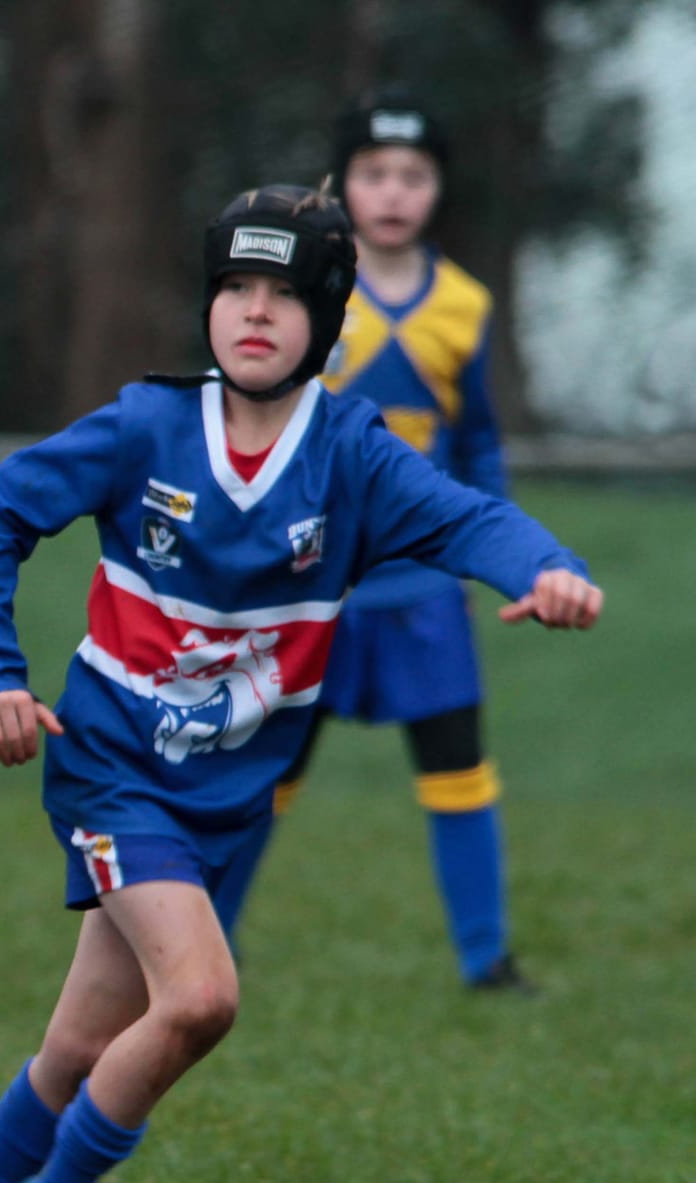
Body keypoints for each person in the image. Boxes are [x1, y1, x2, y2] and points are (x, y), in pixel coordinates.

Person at [0, 185, 601, 1183]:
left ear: (326, 318)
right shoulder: (143, 430)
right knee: (201, 998)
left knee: (77, 1047)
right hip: (112, 768)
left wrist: (546, 566)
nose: (253, 315)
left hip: (222, 792)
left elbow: (469, 520)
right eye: (233, 290)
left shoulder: (353, 457)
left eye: (282, 295)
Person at [210, 89, 532, 992]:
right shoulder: (301, 292)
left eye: (414, 176)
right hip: (308, 589)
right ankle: (201, 949)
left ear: (437, 189)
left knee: (460, 772)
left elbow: (478, 446)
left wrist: (497, 556)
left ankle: (488, 962)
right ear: (343, 182)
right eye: (374, 173)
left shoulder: (464, 305)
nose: (394, 192)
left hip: (422, 593)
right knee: (262, 779)